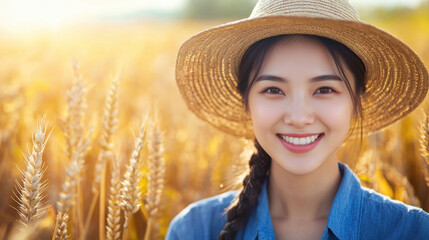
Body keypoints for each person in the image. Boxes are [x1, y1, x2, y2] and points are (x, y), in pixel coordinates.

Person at [166, 0, 429, 239]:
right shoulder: (194, 230)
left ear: (357, 102)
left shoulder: (413, 231)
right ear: (246, 102)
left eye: (324, 89)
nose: (299, 117)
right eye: (273, 90)